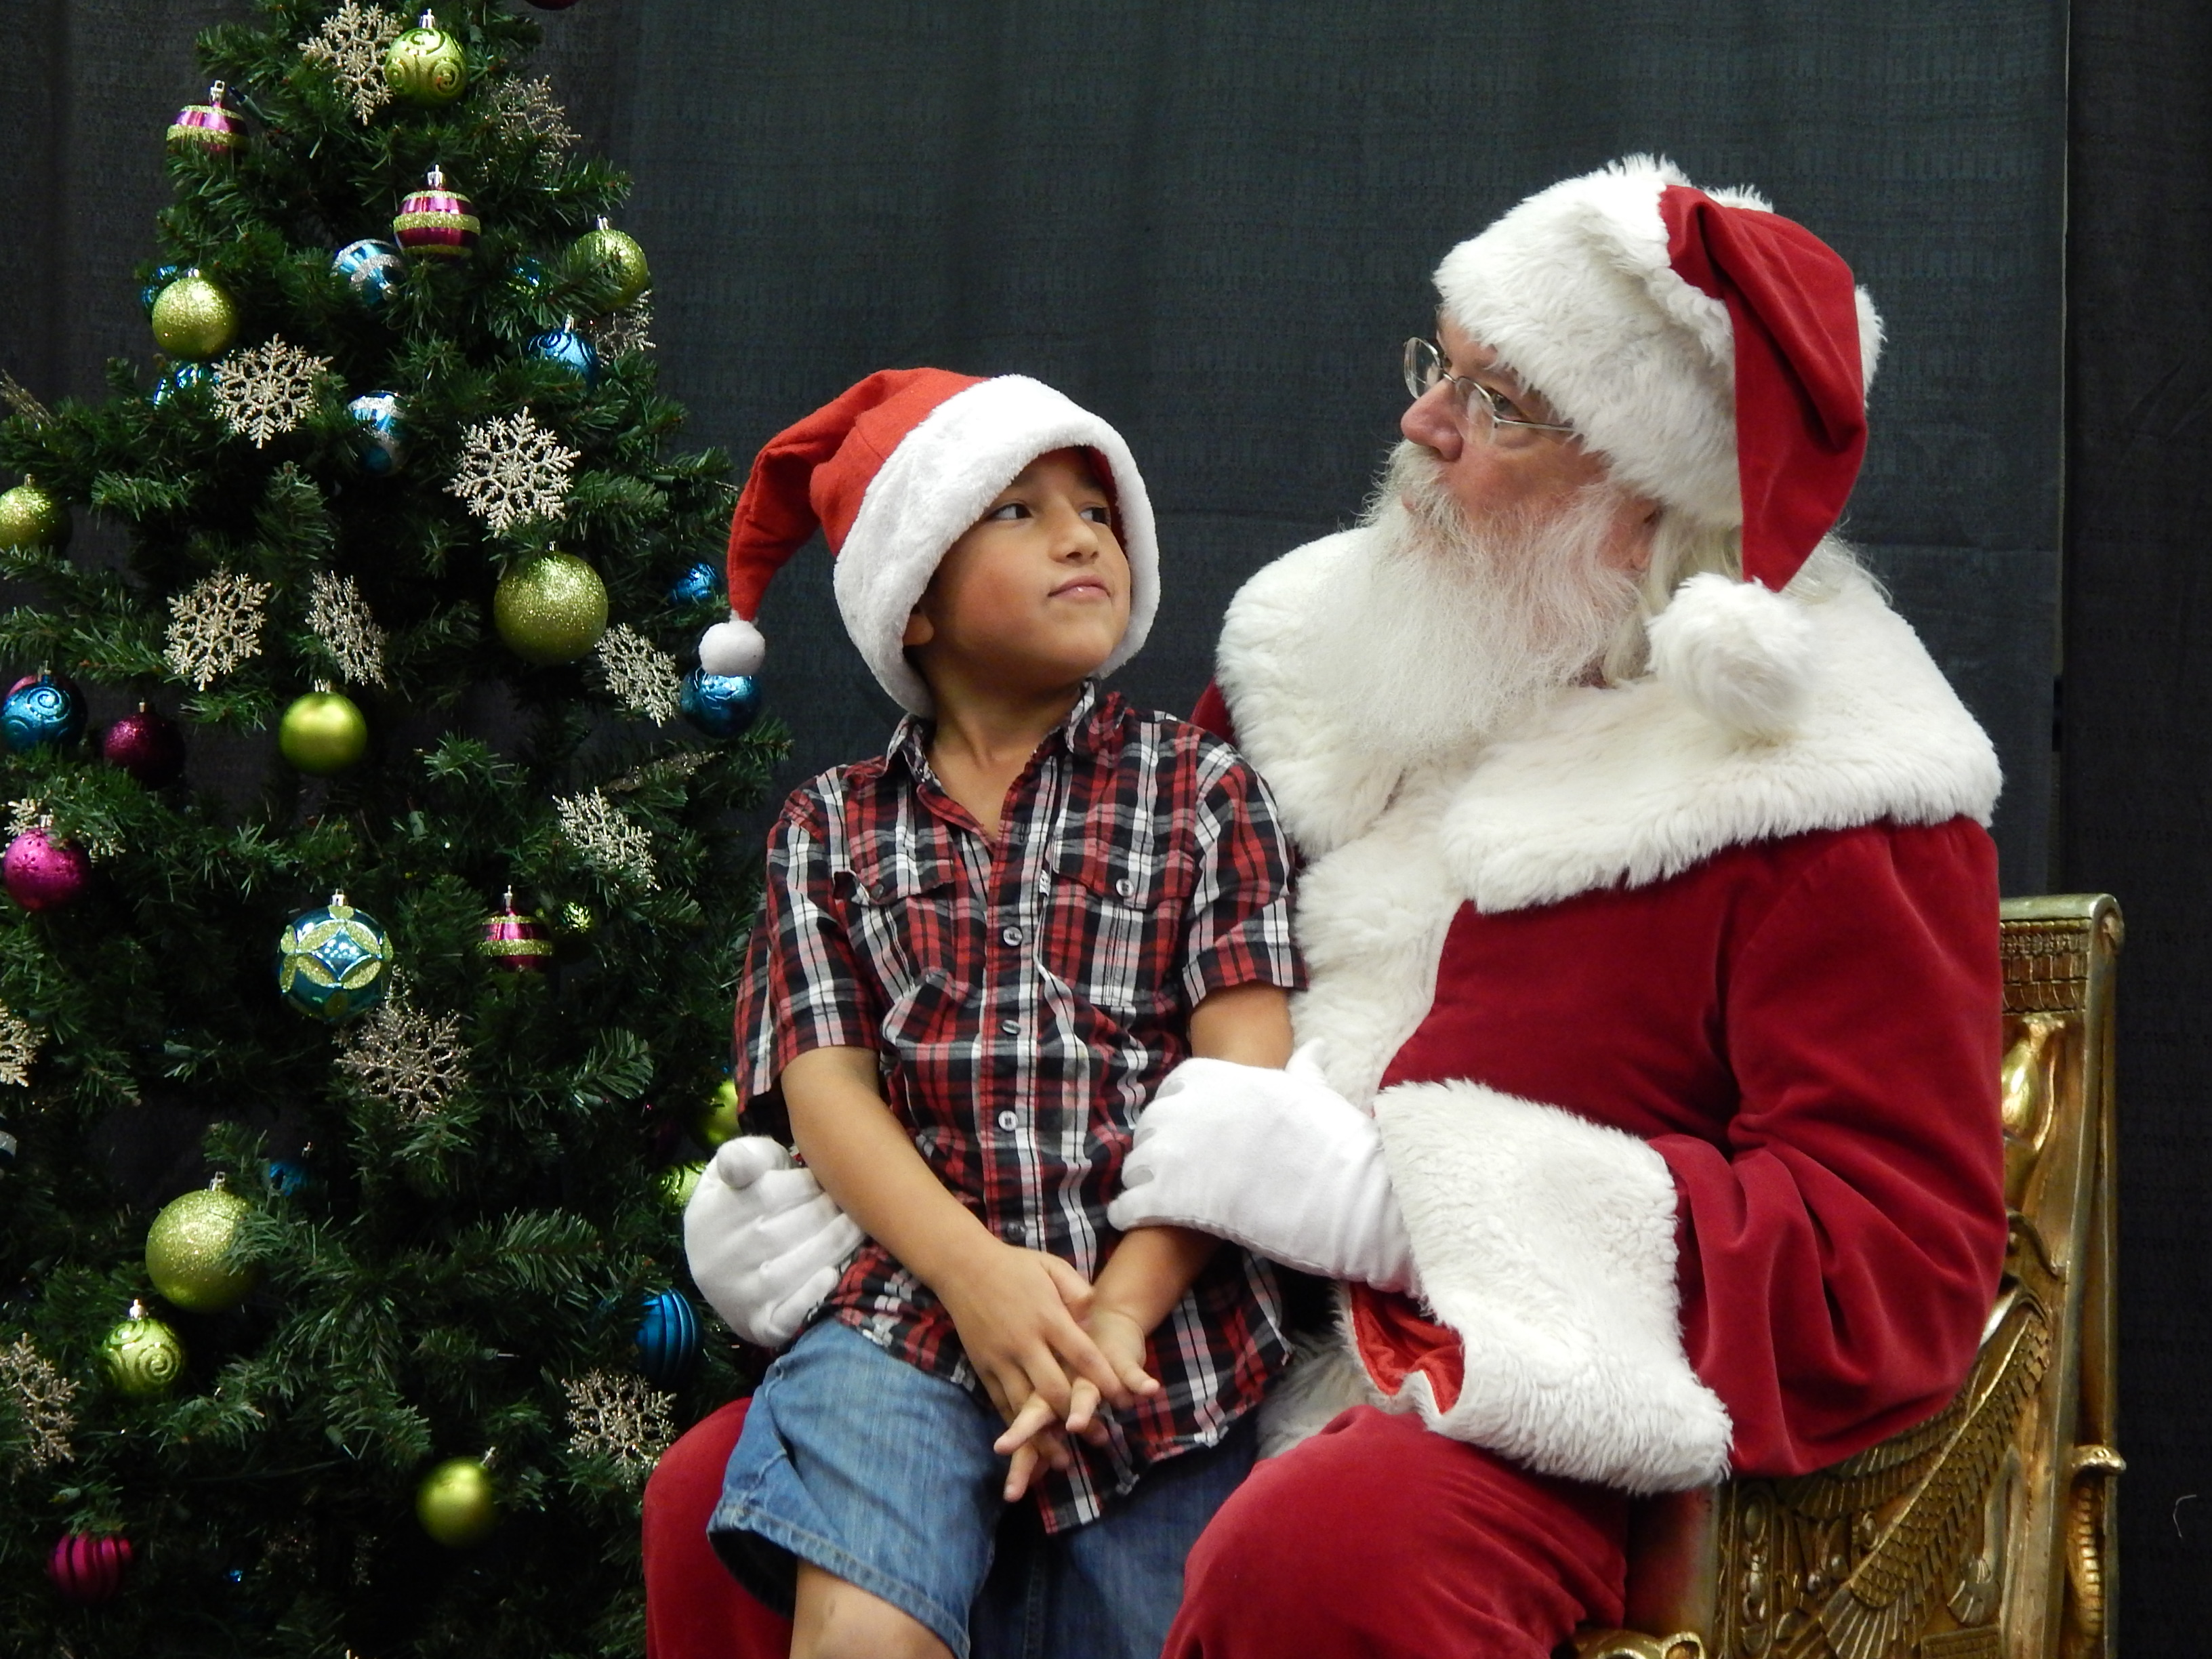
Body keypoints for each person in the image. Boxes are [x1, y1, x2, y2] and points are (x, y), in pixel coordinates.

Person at [653, 157, 2007, 1659]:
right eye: (1440, 361)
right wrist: (855, 1232)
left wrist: (1409, 1214)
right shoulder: (1319, 663)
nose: (1422, 424)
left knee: (1323, 1551)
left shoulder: (1832, 783)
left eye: (1500, 405)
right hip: (1199, 1326)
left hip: (1520, 1405)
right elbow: (1067, 1025)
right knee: (727, 1492)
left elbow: (1901, 1266)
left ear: (1650, 485)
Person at [680, 369, 1304, 1659]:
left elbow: (1245, 1090)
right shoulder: (830, 828)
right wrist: (972, 1280)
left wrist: (1116, 1314)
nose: (1085, 534)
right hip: (904, 1323)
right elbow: (826, 1094)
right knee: (861, 1630)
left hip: (1157, 1342)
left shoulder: (1206, 791)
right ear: (913, 605)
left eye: (1095, 507)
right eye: (1018, 512)